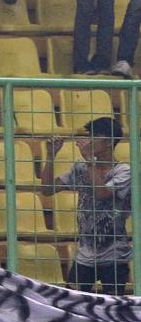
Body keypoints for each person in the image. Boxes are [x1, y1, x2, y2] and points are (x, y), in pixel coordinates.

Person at [41, 117, 132, 295]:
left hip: (114, 256)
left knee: (111, 309)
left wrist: (90, 162)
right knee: (71, 304)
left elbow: (102, 194)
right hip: (84, 255)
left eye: (95, 135)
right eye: (89, 135)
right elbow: (47, 189)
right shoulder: (81, 167)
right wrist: (51, 156)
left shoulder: (123, 171)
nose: (89, 140)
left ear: (109, 141)